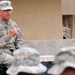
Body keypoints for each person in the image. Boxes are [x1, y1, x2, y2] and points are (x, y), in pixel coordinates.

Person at [0, 0, 25, 66]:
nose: (8, 12)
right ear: (0, 12)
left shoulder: (13, 24)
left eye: (9, 10)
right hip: (1, 53)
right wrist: (9, 36)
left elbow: (19, 41)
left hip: (12, 52)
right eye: (5, 10)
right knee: (14, 62)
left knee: (27, 61)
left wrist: (22, 52)